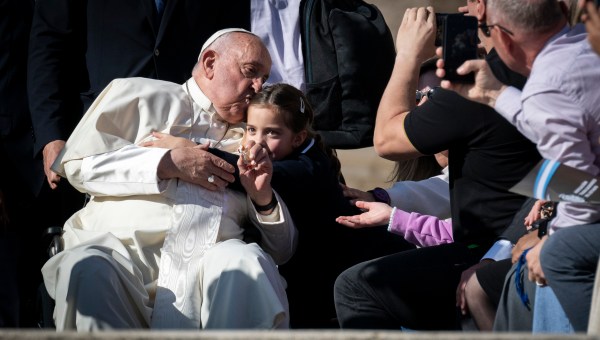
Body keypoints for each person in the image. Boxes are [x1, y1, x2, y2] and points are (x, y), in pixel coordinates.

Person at [42, 29, 298, 331]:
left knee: (246, 262)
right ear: (210, 62)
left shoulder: (255, 136)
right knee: (87, 268)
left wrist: (263, 198)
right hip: (122, 266)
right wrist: (167, 163)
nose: (258, 87)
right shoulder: (140, 94)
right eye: (250, 72)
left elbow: (282, 250)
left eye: (264, 79)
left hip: (208, 285)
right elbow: (77, 165)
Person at [332, 6, 540, 330]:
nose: (463, 9)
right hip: (529, 234)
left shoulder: (477, 86)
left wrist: (408, 55)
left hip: (491, 246)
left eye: (471, 5)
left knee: (356, 287)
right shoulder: (563, 70)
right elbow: (453, 182)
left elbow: (387, 141)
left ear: (483, 12)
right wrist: (384, 198)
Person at [438, 0, 600, 332]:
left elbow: (582, 198)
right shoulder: (582, 43)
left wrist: (547, 239)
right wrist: (494, 95)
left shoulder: (548, 84)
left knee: (552, 259)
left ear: (503, 38)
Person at [27, 0, 251, 235]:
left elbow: (234, 46)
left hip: (191, 129)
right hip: (100, 134)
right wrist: (51, 134)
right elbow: (49, 44)